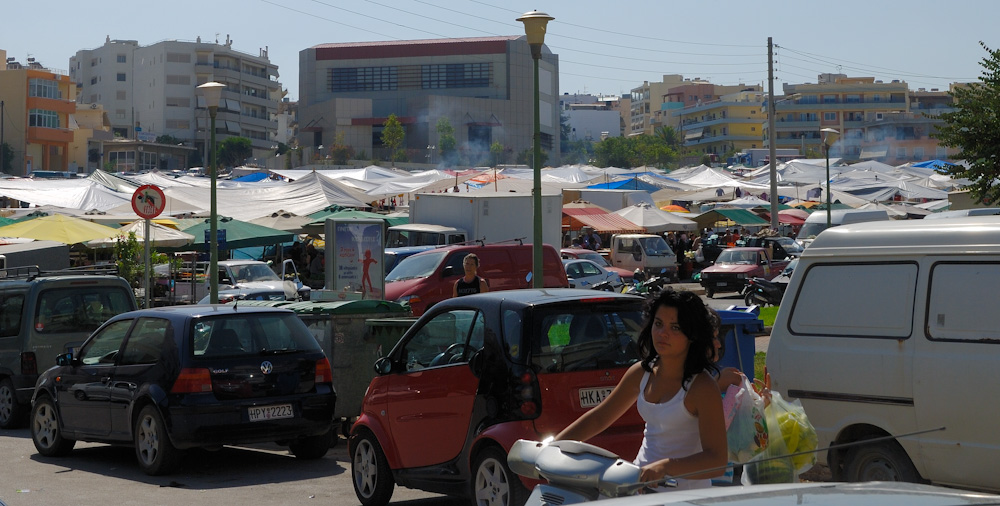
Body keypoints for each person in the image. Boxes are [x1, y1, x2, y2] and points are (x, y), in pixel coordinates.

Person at [555, 289, 727, 490]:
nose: (663, 333)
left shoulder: (702, 387)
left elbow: (717, 461)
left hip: (685, 496)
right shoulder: (641, 372)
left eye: (675, 327)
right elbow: (599, 418)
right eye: (658, 324)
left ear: (692, 335)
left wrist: (667, 466)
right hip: (639, 487)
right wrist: (552, 447)